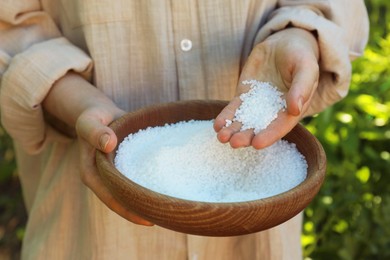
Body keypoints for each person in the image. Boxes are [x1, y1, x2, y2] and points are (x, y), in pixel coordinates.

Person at [0, 0, 368, 259]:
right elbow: (9, 29)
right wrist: (76, 100)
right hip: (90, 233)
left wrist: (299, 35)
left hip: (260, 234)